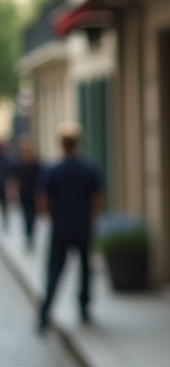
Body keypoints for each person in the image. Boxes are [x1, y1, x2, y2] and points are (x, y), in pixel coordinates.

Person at [37, 122, 104, 332]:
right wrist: (91, 218)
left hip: (61, 228)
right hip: (82, 227)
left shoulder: (53, 170)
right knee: (85, 269)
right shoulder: (88, 169)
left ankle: (45, 313)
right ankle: (84, 308)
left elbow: (42, 199)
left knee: (55, 270)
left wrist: (52, 218)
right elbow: (98, 199)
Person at [13, 137, 42, 251]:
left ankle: (31, 235)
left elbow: (41, 178)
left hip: (34, 194)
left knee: (32, 216)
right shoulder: (19, 164)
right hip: (24, 194)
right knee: (26, 215)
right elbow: (15, 179)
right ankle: (28, 235)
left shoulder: (36, 163)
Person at [0, 139, 11, 229]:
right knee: (4, 206)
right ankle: (5, 221)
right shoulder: (7, 159)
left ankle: (6, 221)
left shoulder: (7, 159)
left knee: (4, 206)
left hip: (3, 186)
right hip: (3, 185)